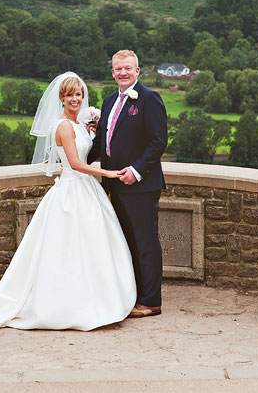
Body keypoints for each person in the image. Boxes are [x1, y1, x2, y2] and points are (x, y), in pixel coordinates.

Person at [0, 73, 136, 334]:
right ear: (61, 98)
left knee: (92, 246)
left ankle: (98, 299)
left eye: (78, 94)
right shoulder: (64, 126)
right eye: (69, 95)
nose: (75, 99)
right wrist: (109, 173)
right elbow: (76, 164)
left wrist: (89, 132)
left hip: (87, 191)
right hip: (71, 191)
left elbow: (85, 150)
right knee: (67, 249)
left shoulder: (77, 124)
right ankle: (70, 305)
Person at [88, 50, 168, 318]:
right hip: (114, 184)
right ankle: (134, 295)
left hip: (141, 185)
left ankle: (151, 302)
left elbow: (158, 142)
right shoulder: (109, 101)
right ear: (112, 72)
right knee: (127, 243)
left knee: (145, 243)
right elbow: (102, 143)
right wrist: (75, 157)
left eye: (127, 68)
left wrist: (136, 170)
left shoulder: (149, 99)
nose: (122, 72)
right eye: (117, 69)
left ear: (137, 71)